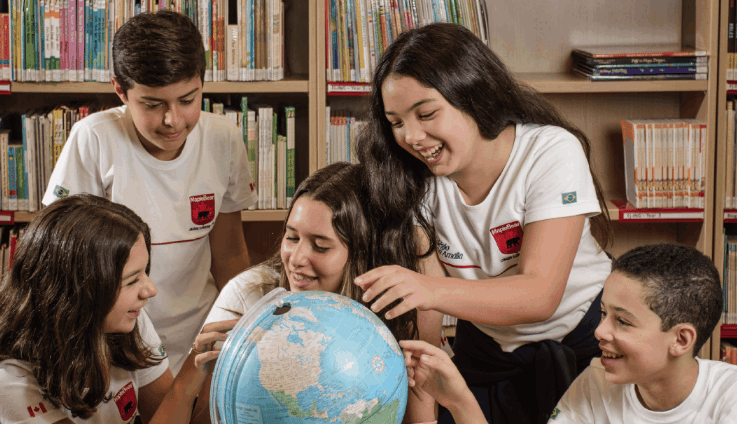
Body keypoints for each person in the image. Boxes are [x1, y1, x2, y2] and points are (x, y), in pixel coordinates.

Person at [354, 22, 613, 424]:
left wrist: (427, 289)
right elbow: (425, 326)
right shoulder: (413, 179)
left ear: (473, 94)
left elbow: (540, 295)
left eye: (426, 114)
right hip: (487, 350)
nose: (412, 137)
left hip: (587, 344)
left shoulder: (551, 150)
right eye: (396, 122)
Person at [41, 10, 257, 375]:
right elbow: (65, 264)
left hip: (201, 334)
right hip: (115, 340)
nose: (172, 120)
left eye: (187, 100)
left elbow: (229, 252)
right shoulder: (93, 139)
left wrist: (245, 329)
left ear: (202, 83)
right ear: (120, 91)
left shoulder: (224, 138)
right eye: (153, 105)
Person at [180, 162, 445, 423]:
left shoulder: (398, 308)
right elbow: (206, 417)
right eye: (292, 238)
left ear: (361, 253)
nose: (296, 259)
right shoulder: (247, 294)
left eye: (320, 246)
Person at [0, 194, 235, 423]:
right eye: (132, 281)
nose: (151, 290)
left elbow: (165, 411)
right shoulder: (11, 382)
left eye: (145, 272)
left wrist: (203, 374)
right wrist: (186, 383)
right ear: (79, 292)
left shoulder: (129, 321)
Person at [549, 243, 737, 423]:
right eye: (603, 312)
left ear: (681, 340)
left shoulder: (730, 395)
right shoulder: (595, 381)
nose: (599, 331)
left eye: (622, 321)